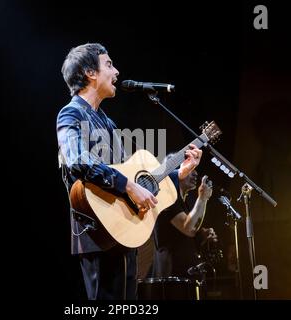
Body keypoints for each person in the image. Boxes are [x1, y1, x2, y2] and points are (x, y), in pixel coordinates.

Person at [56, 43, 203, 299]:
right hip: (97, 231)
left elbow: (133, 174)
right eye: (109, 65)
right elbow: (77, 159)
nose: (116, 71)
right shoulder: (70, 113)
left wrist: (177, 175)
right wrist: (128, 185)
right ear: (90, 72)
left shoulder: (108, 122)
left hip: (124, 231)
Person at [152, 165, 218, 278]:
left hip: (186, 276)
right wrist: (203, 198)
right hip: (172, 279)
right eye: (190, 169)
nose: (195, 173)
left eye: (196, 169)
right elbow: (188, 228)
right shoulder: (168, 200)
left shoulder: (184, 204)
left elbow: (183, 236)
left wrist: (201, 235)